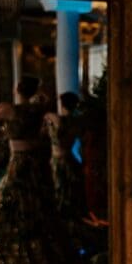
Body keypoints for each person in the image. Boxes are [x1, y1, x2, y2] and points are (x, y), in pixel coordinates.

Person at [0, 76, 59, 264]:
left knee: (9, 203)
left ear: (17, 89)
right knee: (35, 202)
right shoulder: (38, 109)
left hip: (18, 162)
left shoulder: (9, 110)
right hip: (35, 162)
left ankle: (14, 252)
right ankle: (41, 252)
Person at [44, 91, 87, 247]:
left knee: (61, 193)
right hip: (71, 160)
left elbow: (52, 121)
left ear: (62, 104)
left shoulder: (58, 120)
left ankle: (64, 231)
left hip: (59, 161)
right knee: (71, 193)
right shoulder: (77, 121)